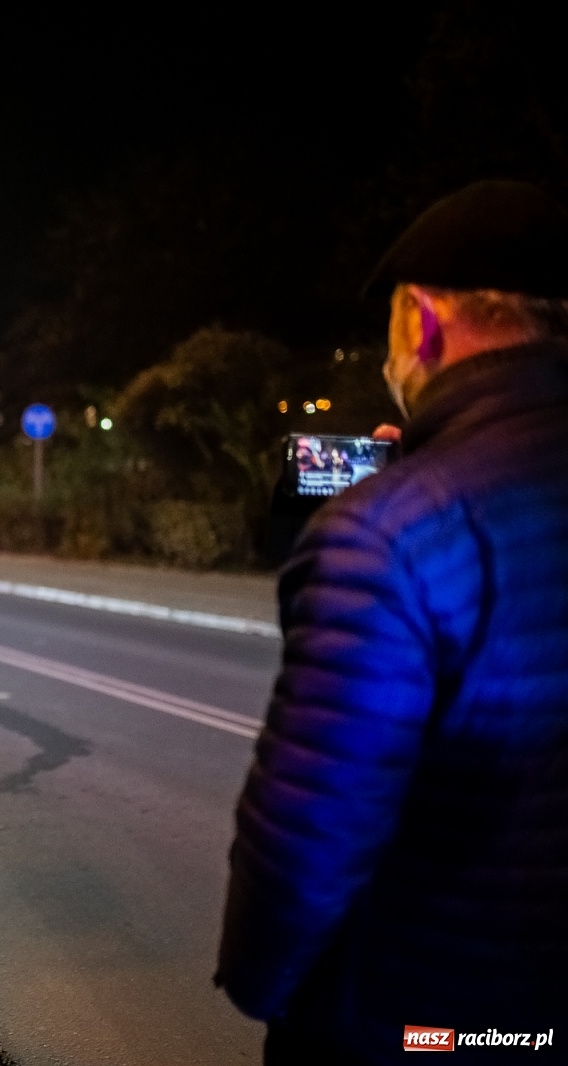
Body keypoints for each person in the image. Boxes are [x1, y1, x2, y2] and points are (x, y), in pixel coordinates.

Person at [216, 179, 568, 1065]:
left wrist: (266, 990)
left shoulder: (390, 533)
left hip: (435, 1023)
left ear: (422, 321)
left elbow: (309, 838)